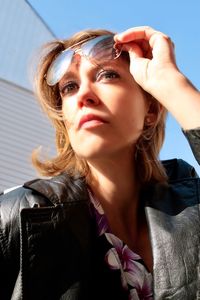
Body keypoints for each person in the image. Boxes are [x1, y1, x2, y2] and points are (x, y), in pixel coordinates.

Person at [0, 26, 200, 300]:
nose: (84, 95)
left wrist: (172, 84)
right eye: (69, 86)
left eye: (107, 75)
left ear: (150, 110)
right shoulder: (16, 216)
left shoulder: (192, 207)